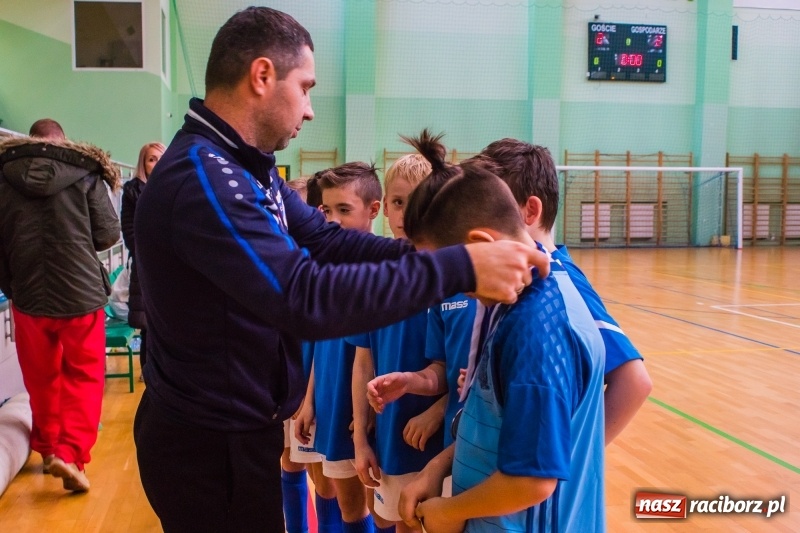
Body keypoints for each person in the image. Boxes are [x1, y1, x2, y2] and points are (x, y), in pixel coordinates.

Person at [131, 7, 547, 533]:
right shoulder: (204, 180)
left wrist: (426, 253)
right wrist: (458, 266)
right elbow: (302, 297)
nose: (309, 110)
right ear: (262, 76)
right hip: (208, 448)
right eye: (305, 88)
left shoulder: (243, 166)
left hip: (234, 432)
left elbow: (327, 241)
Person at [396, 145, 606, 532]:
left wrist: (451, 511)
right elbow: (502, 421)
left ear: (482, 245)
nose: (449, 287)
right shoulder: (508, 301)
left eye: (451, 272)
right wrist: (436, 468)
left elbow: (531, 480)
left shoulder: (536, 329)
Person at [0, 118, 121, 492]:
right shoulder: (86, 174)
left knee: (40, 377)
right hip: (80, 295)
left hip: (28, 295)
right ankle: (69, 453)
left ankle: (49, 446)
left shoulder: (4, 176)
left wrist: (12, 284)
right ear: (65, 143)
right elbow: (108, 234)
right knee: (84, 375)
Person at [294, 162, 383, 533]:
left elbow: (375, 355)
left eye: (343, 210)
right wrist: (309, 400)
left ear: (373, 210)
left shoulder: (383, 273)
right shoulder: (327, 269)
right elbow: (319, 344)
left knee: (379, 510)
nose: (332, 220)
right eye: (327, 210)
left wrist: (368, 416)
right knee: (346, 504)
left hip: (360, 413)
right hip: (329, 403)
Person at [120, 142, 165, 382]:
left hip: (172, 269)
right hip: (145, 268)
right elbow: (130, 233)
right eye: (151, 159)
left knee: (170, 326)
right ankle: (148, 375)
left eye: (160, 158)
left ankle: (167, 377)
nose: (156, 164)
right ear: (143, 164)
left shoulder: (174, 186)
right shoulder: (132, 191)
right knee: (148, 327)